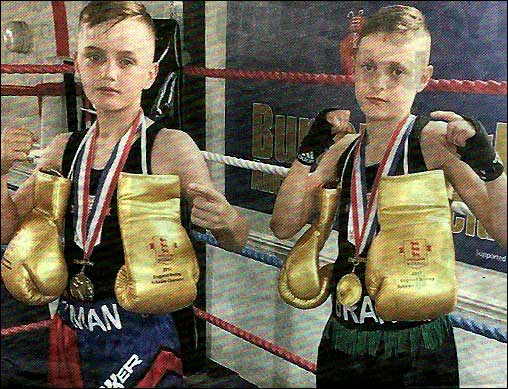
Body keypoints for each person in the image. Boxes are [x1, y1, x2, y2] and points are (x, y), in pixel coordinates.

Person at [0, 1, 249, 387]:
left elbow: (235, 238)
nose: (109, 73)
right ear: (78, 65)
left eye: (126, 61)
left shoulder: (168, 148)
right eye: (95, 57)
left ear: (150, 74)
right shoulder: (62, 148)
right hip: (70, 329)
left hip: (140, 338)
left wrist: (229, 222)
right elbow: (6, 230)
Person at [270, 5, 506, 388]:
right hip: (345, 336)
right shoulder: (343, 149)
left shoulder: (433, 143)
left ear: (423, 78)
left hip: (416, 347)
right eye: (368, 67)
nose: (378, 84)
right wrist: (308, 153)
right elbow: (283, 225)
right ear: (354, 67)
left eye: (397, 71)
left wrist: (491, 166)